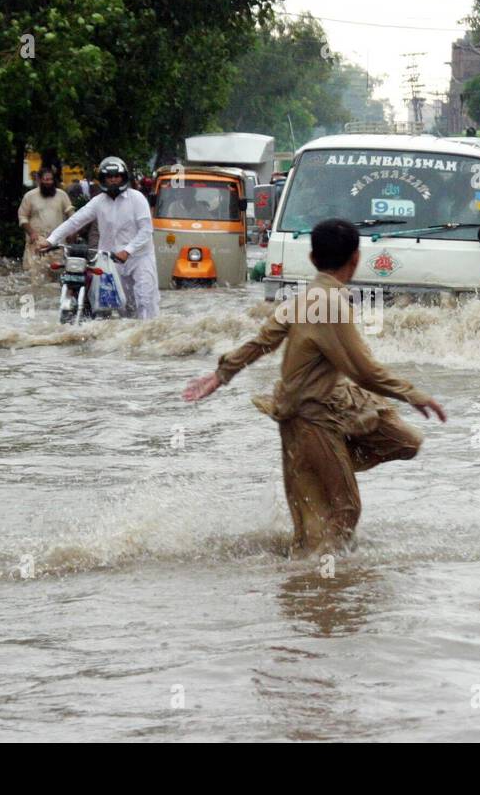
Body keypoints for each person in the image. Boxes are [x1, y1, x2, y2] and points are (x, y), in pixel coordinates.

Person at [182, 218, 447, 556]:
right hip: (309, 418)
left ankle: (320, 494)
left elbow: (262, 341)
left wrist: (221, 375)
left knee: (405, 442)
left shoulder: (303, 298)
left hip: (326, 408)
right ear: (355, 259)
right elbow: (365, 370)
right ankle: (318, 586)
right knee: (342, 512)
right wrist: (413, 394)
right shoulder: (330, 304)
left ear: (312, 259)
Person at [38, 155, 160, 319]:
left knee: (145, 303)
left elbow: (146, 230)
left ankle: (148, 335)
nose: (113, 180)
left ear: (124, 177)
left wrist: (128, 251)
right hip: (112, 261)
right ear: (103, 179)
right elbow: (75, 221)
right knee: (122, 305)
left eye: (117, 176)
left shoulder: (137, 199)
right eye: (109, 177)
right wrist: (51, 240)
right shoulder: (98, 202)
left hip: (140, 258)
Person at [18, 167, 74, 278]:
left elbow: (72, 215)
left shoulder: (62, 195)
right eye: (46, 179)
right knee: (36, 278)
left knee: (58, 279)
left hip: (58, 245)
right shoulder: (30, 196)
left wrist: (72, 232)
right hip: (36, 245)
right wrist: (31, 233)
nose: (48, 182)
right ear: (39, 180)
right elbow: (22, 216)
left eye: (51, 179)